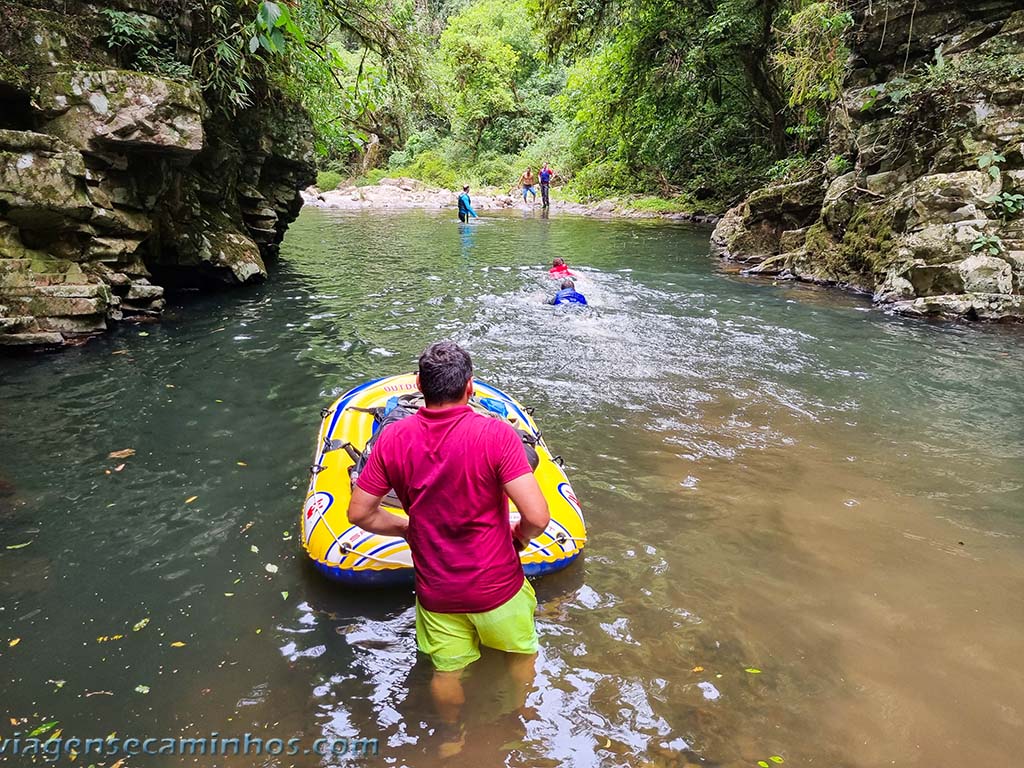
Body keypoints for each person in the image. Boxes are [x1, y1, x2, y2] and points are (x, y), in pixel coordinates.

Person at [347, 342, 550, 727]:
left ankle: (453, 739)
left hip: (438, 592)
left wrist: (407, 527)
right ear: (470, 387)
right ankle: (517, 720)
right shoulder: (497, 435)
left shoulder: (392, 439)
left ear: (420, 385)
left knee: (447, 674)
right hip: (498, 586)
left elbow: (359, 513)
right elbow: (537, 516)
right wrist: (519, 539)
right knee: (521, 657)